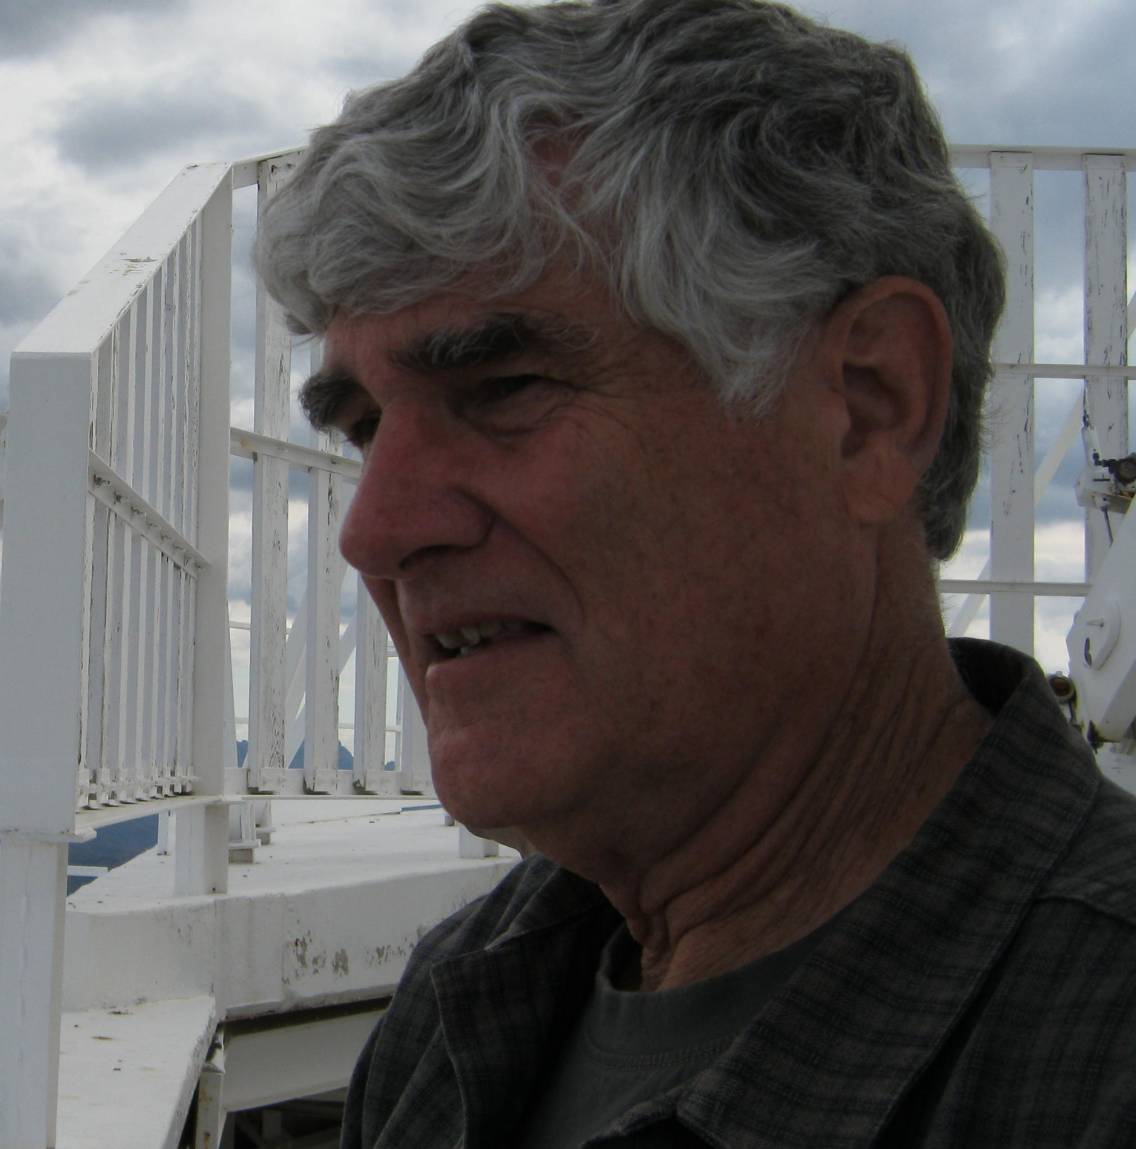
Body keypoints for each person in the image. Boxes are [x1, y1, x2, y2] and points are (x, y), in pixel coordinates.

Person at [255, 0, 1136, 1144]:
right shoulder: (459, 1002)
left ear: (868, 409)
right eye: (365, 425)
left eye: (505, 388)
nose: (371, 532)